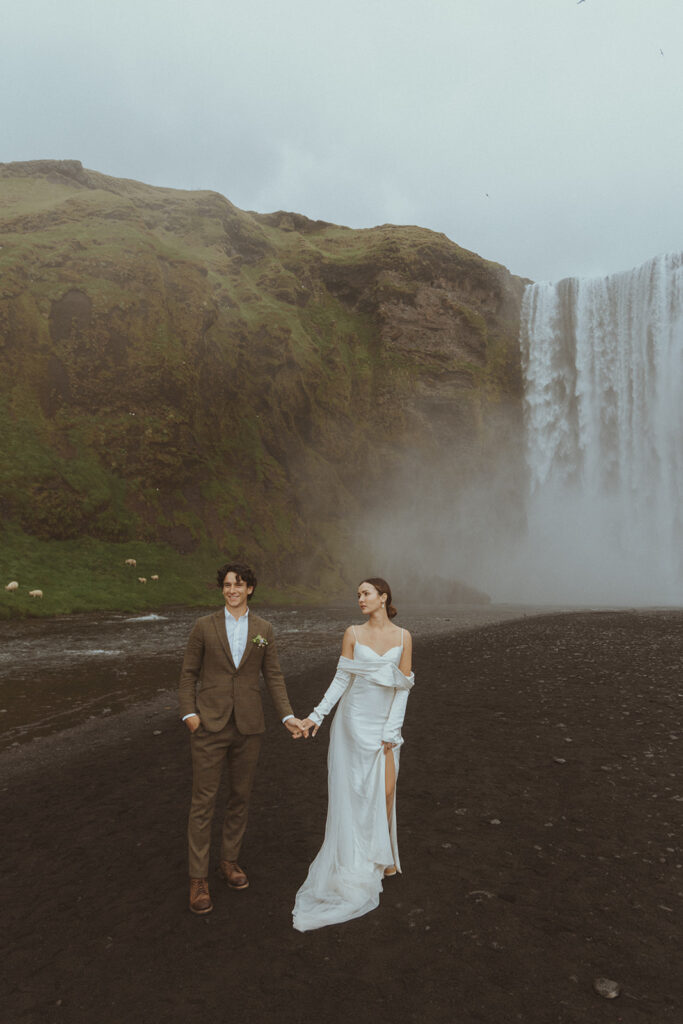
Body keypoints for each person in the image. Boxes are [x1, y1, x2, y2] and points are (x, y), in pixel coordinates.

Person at [178, 561, 306, 914]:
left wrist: (288, 716)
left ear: (250, 588)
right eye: (227, 584)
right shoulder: (203, 627)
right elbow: (188, 674)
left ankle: (229, 862)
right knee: (203, 802)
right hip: (209, 726)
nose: (232, 589)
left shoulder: (264, 629)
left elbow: (274, 676)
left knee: (240, 797)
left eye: (239, 584)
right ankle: (198, 880)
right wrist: (190, 714)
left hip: (250, 727)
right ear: (223, 589)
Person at [293, 577, 414, 932]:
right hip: (351, 721)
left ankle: (382, 855)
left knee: (386, 789)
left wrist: (392, 730)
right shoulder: (353, 633)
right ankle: (366, 860)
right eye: (358, 595)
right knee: (355, 791)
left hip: (383, 724)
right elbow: (340, 679)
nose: (360, 599)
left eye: (366, 593)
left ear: (383, 597)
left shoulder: (405, 637)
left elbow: (403, 687)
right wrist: (316, 715)